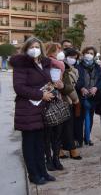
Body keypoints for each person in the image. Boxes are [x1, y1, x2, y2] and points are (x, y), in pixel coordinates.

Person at [10, 37, 56, 185]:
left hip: (42, 108)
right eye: (32, 46)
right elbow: (19, 87)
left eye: (37, 46)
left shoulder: (44, 63)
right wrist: (40, 94)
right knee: (30, 144)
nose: (34, 49)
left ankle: (42, 171)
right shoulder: (21, 64)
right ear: (26, 48)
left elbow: (46, 83)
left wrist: (55, 85)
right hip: (27, 108)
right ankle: (33, 174)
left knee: (41, 143)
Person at [44, 43, 66, 171]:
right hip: (46, 100)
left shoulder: (59, 67)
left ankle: (56, 158)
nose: (59, 52)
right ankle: (48, 159)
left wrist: (60, 85)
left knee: (57, 133)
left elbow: (61, 83)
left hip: (57, 100)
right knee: (48, 133)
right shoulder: (44, 64)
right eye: (58, 50)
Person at [76, 46, 101, 146]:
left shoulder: (97, 66)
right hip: (81, 95)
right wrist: (81, 88)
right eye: (87, 52)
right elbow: (76, 80)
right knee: (80, 118)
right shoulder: (78, 66)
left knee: (90, 117)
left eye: (91, 53)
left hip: (93, 96)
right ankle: (79, 139)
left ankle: (87, 137)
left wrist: (96, 88)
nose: (89, 55)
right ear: (83, 54)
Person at [59, 48, 82, 160]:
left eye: (75, 58)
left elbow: (73, 85)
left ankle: (69, 147)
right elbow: (66, 87)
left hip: (70, 100)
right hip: (62, 98)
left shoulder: (74, 70)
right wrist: (76, 100)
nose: (73, 59)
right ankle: (63, 149)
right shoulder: (61, 67)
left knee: (69, 125)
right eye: (71, 57)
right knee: (62, 126)